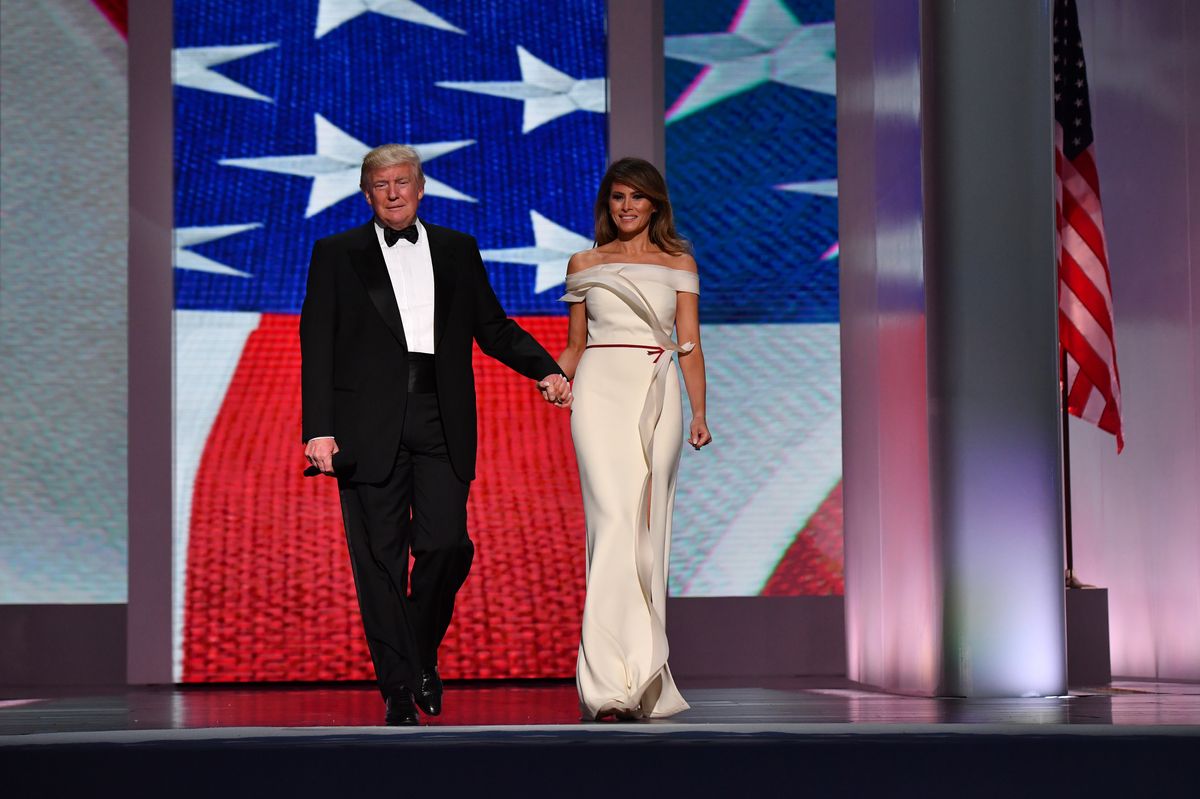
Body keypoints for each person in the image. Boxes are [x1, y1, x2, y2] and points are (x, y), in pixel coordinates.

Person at [300, 144, 569, 726]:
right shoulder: (336, 253)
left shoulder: (456, 249)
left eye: (402, 181)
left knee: (447, 546)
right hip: (365, 428)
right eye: (380, 184)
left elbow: (491, 327)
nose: (393, 192)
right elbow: (316, 343)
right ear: (366, 194)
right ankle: (398, 686)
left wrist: (546, 368)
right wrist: (318, 431)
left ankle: (419, 651)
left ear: (421, 188)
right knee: (380, 562)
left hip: (442, 417)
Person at [556, 157, 712, 720]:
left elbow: (689, 342)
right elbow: (574, 344)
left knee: (647, 526)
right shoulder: (584, 262)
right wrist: (557, 376)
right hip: (598, 391)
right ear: (609, 203)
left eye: (637, 198)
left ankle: (641, 677)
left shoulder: (679, 263)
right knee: (613, 523)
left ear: (655, 206)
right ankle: (605, 686)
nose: (627, 207)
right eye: (618, 197)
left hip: (658, 389)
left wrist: (699, 411)